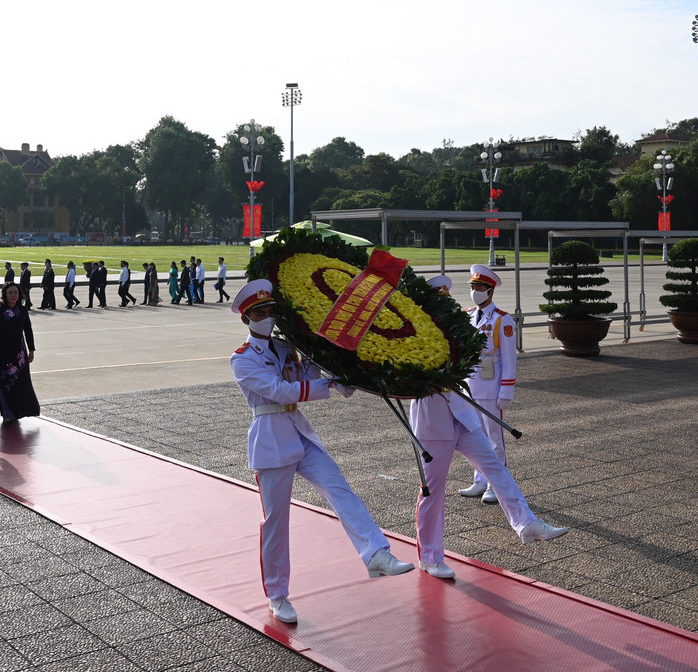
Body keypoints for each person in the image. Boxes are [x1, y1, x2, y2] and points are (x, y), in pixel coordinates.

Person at [229, 279, 414, 625]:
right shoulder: (241, 359)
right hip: (270, 440)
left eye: (271, 311)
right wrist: (328, 386)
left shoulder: (285, 348)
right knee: (275, 522)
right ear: (247, 319)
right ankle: (277, 594)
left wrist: (329, 361)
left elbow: (305, 372)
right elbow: (280, 391)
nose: (268, 317)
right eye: (260, 313)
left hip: (298, 433)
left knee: (339, 487)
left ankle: (376, 552)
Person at [409, 390, 568, 580]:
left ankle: (526, 523)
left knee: (494, 467)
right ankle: (429, 557)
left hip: (463, 417)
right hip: (431, 422)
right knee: (432, 490)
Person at [456, 264, 518, 504]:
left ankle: (496, 483)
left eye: (479, 287)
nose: (475, 291)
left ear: (490, 291)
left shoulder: (503, 320)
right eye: (472, 287)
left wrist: (507, 390)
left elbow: (509, 359)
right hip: (471, 386)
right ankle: (480, 479)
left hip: (492, 388)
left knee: (494, 438)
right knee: (475, 436)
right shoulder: (468, 315)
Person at [0, 283, 39, 421]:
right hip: (2, 354)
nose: (13, 295)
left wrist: (31, 349)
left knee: (21, 384)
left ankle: (20, 411)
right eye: (10, 292)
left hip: (19, 355)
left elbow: (28, 330)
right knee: (5, 384)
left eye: (15, 292)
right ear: (5, 295)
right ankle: (8, 413)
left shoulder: (22, 311)